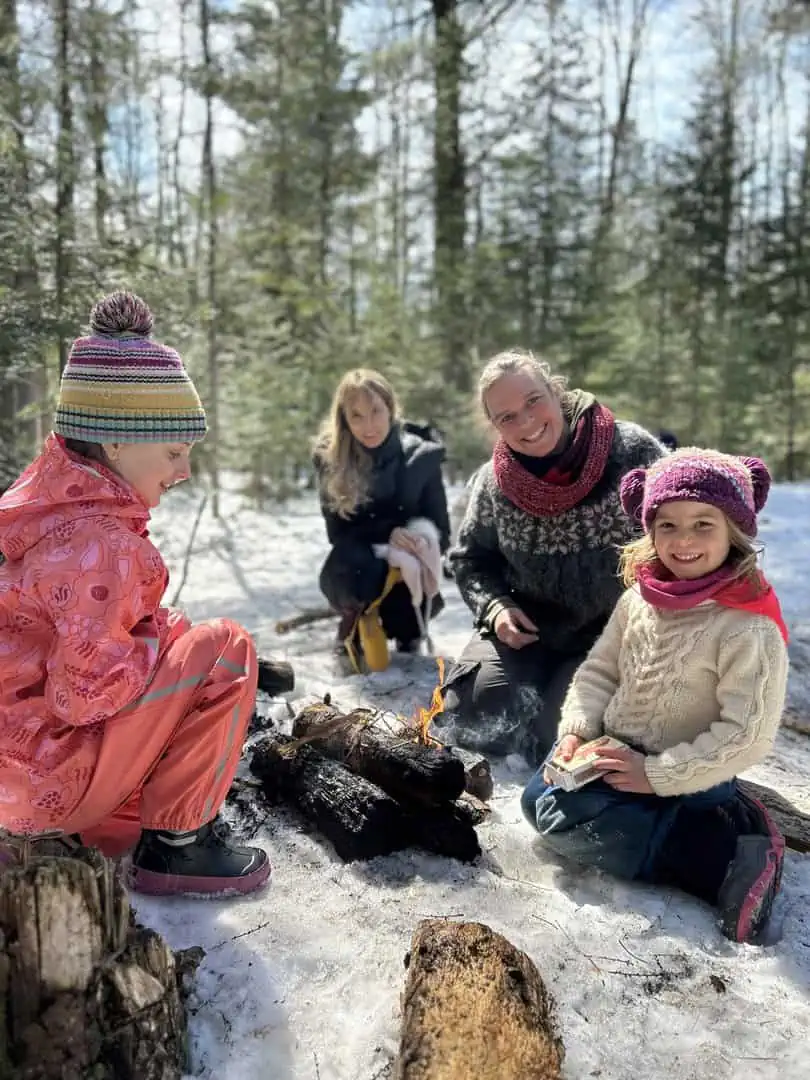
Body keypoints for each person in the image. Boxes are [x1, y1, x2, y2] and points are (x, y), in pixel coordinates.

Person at [0, 291, 271, 898]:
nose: (184, 471)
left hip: (18, 770)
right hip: (47, 778)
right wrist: (158, 638)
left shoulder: (55, 517)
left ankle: (93, 823)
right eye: (174, 451)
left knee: (173, 644)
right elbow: (85, 694)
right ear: (117, 442)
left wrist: (149, 632)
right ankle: (179, 848)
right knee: (224, 649)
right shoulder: (105, 545)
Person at [521, 449, 789, 944]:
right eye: (667, 525)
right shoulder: (637, 600)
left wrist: (657, 775)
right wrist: (577, 730)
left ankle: (725, 859)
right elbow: (599, 671)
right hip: (624, 755)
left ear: (734, 529)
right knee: (536, 798)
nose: (682, 541)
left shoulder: (747, 625)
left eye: (702, 524)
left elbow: (747, 735)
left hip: (690, 775)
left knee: (574, 826)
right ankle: (680, 829)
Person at [438, 349, 664, 764]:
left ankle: (551, 710)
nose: (525, 421)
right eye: (506, 417)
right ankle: (527, 691)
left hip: (611, 639)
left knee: (563, 737)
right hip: (527, 635)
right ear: (494, 427)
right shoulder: (495, 483)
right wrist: (495, 608)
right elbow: (468, 559)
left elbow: (682, 522)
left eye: (532, 401)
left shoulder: (629, 451)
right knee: (467, 713)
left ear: (554, 391)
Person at [314, 369, 451, 671]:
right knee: (358, 562)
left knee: (406, 618)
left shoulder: (421, 457)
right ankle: (354, 621)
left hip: (410, 563)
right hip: (358, 567)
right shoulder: (331, 458)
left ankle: (407, 629)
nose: (368, 425)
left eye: (376, 411)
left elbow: (442, 529)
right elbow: (337, 532)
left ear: (391, 407)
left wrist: (416, 536)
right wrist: (387, 532)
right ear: (344, 420)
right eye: (357, 416)